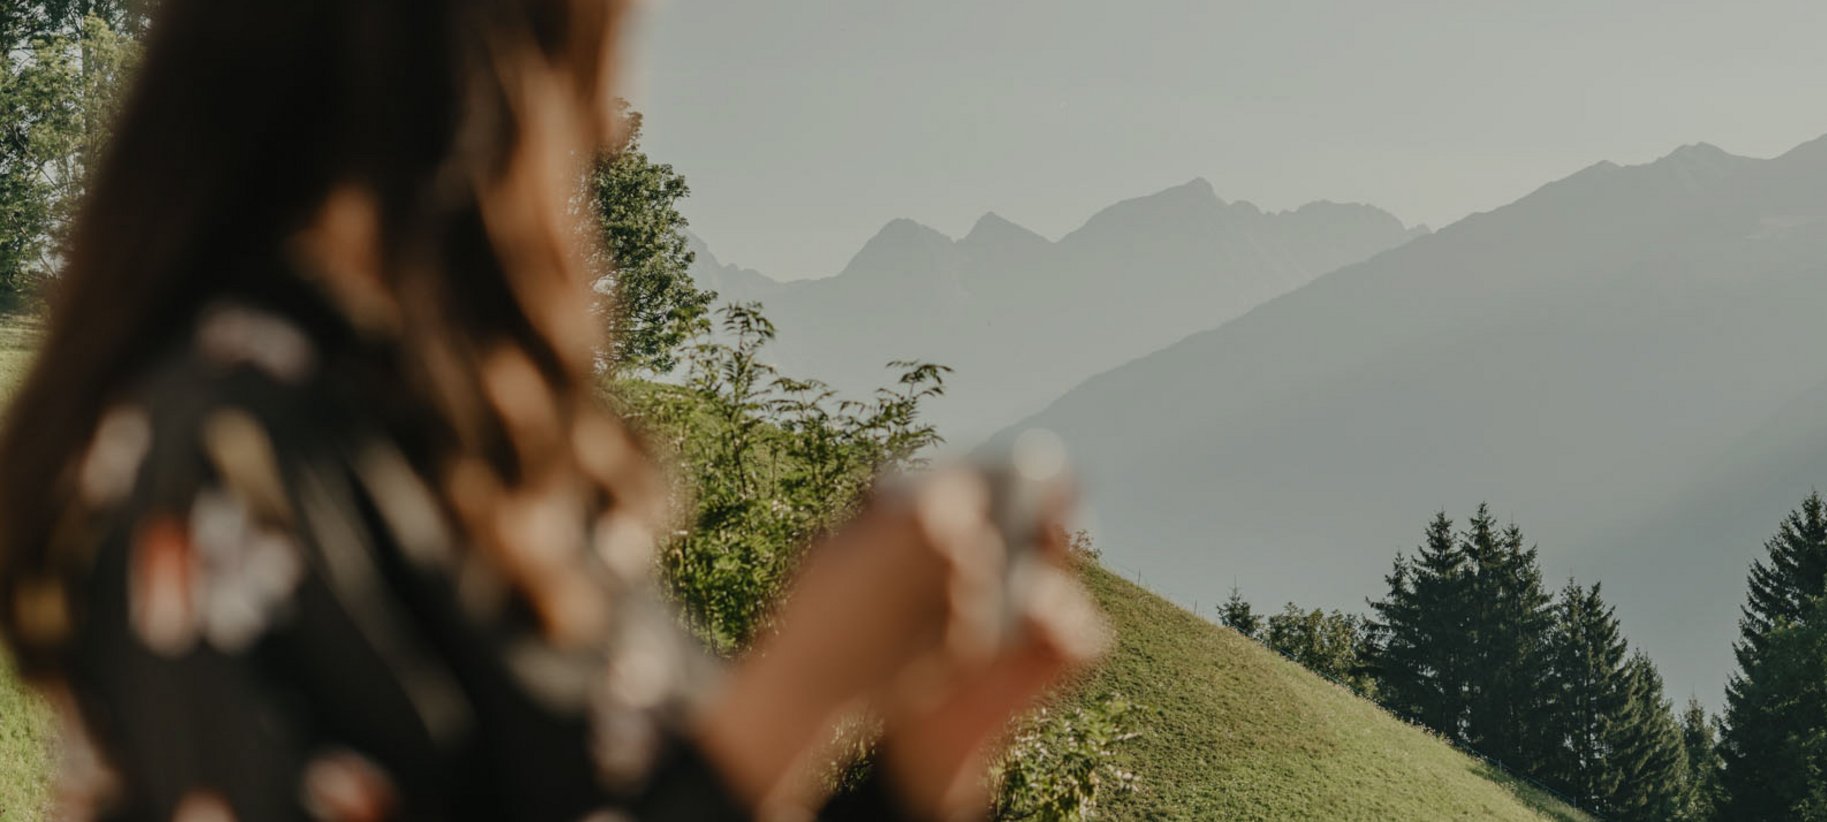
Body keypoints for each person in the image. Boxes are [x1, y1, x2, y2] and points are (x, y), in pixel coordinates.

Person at [0, 0, 1105, 819]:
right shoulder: (219, 450)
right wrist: (796, 695)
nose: (614, 127)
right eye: (593, 50)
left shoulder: (459, 438)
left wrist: (927, 760)